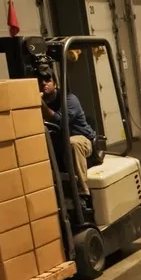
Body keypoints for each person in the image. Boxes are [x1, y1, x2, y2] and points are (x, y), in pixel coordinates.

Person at [39, 70, 96, 198]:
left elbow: (60, 121)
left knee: (72, 143)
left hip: (82, 139)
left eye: (48, 80)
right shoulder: (39, 103)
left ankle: (82, 187)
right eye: (40, 81)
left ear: (55, 83)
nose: (44, 84)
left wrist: (41, 104)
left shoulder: (69, 99)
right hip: (57, 142)